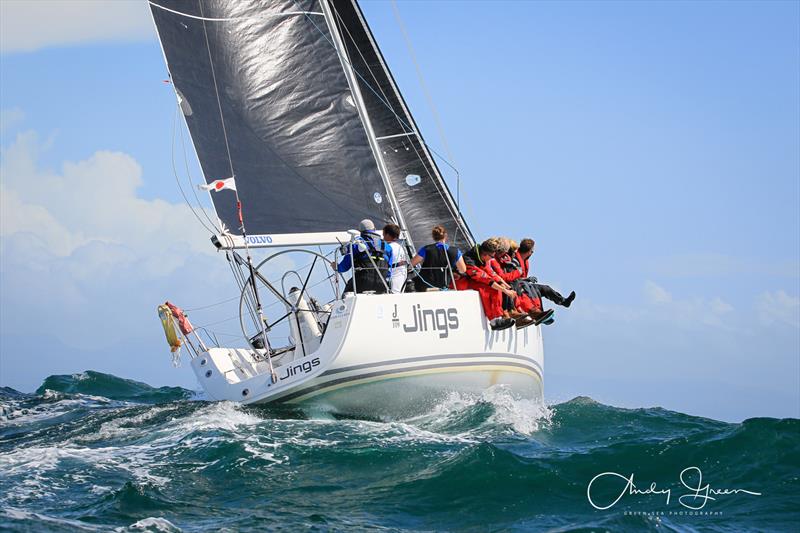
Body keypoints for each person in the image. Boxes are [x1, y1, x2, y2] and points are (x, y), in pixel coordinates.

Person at [456, 239, 517, 331]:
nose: (492, 259)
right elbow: (486, 279)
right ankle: (494, 321)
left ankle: (499, 317)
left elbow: (491, 274)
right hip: (460, 282)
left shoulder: (482, 257)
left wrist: (506, 286)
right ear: (485, 254)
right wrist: (505, 291)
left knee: (497, 287)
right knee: (485, 288)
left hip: (471, 280)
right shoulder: (469, 260)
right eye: (492, 257)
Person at [333, 219, 393, 294]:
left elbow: (344, 267)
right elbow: (389, 273)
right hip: (381, 284)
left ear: (360, 231)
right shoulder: (388, 247)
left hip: (361, 283)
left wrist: (336, 267)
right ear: (374, 229)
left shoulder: (356, 245)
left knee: (345, 297)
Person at [516, 238, 576, 308]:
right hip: (518, 287)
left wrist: (527, 280)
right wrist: (527, 279)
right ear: (528, 252)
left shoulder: (525, 260)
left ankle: (563, 301)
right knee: (535, 291)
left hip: (525, 285)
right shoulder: (515, 261)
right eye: (532, 251)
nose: (532, 253)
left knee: (545, 289)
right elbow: (513, 280)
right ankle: (538, 312)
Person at [410, 225, 466, 291]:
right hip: (442, 287)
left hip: (423, 285)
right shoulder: (456, 251)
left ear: (433, 237)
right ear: (446, 236)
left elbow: (411, 264)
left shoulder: (426, 249)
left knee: (410, 284)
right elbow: (462, 270)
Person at [382, 223, 408, 294]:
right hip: (402, 276)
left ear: (387, 235)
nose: (383, 237)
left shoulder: (388, 247)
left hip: (394, 278)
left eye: (383, 234)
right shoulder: (400, 247)